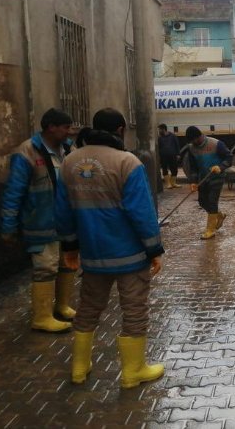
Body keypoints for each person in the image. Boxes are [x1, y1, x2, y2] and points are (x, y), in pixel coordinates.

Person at [55, 108, 165, 388]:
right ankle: (133, 371)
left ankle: (79, 368)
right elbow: (141, 212)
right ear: (119, 130)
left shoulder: (69, 162)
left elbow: (62, 210)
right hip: (129, 254)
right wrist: (154, 249)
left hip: (93, 255)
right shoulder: (128, 162)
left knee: (88, 308)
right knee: (134, 310)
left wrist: (70, 247)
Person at [0, 108, 76, 333]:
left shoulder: (69, 148)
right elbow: (13, 192)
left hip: (65, 221)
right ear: (51, 127)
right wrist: (8, 227)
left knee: (67, 264)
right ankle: (42, 316)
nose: (68, 131)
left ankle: (61, 306)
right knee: (45, 267)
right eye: (65, 127)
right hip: (40, 221)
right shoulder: (26, 152)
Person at [184, 126, 232, 240]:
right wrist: (193, 182)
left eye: (194, 140)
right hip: (203, 178)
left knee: (212, 201)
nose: (193, 142)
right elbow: (193, 167)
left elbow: (229, 157)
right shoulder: (191, 148)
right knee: (202, 202)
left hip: (217, 177)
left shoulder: (216, 144)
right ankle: (219, 216)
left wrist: (220, 167)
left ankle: (210, 230)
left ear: (199, 136)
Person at [158, 123, 181, 189]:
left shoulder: (172, 136)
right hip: (163, 156)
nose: (159, 131)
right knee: (165, 169)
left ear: (163, 129)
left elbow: (177, 145)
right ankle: (168, 184)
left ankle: (173, 183)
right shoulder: (159, 138)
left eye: (160, 129)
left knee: (174, 169)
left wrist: (178, 154)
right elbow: (159, 148)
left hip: (173, 155)